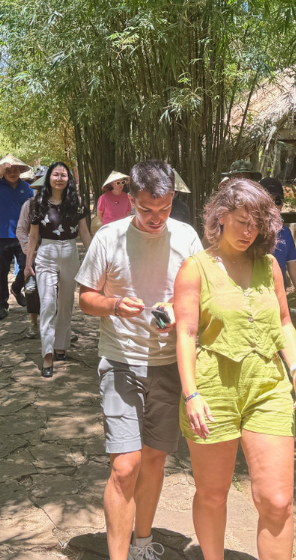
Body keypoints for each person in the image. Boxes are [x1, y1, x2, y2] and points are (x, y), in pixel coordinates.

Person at [173, 178, 296, 560]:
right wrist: (191, 393)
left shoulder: (270, 265)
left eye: (256, 224)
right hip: (212, 388)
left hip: (267, 386)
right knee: (213, 493)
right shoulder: (195, 268)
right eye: (241, 221)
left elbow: (284, 322)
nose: (249, 232)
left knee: (277, 501)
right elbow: (185, 333)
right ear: (220, 217)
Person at [76, 160, 203, 560]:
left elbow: (201, 295)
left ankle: (143, 544)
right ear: (130, 199)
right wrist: (114, 305)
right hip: (121, 360)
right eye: (146, 209)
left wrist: (177, 310)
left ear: (173, 199)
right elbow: (85, 299)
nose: (155, 218)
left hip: (169, 363)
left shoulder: (186, 237)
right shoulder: (108, 237)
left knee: (153, 460)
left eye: (164, 209)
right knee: (125, 466)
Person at [26, 162, 92, 377]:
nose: (59, 179)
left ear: (68, 179)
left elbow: (84, 232)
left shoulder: (76, 202)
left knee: (66, 302)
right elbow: (33, 236)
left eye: (64, 175)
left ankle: (61, 345)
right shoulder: (38, 202)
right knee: (47, 303)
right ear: (49, 178)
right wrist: (28, 263)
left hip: (70, 251)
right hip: (47, 252)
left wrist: (94, 258)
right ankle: (47, 353)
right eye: (56, 174)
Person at [259, 178, 296, 332]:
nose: (272, 206)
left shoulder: (285, 233)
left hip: (278, 303)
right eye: (266, 200)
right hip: (252, 303)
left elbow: (294, 269)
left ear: (282, 204)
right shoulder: (247, 232)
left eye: (277, 201)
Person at [0, 154, 34, 322]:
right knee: (2, 273)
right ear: (3, 172)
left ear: (21, 171)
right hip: (1, 235)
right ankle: (2, 305)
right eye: (8, 170)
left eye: (15, 170)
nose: (12, 173)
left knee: (27, 267)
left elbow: (32, 210)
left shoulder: (27, 188)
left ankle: (16, 288)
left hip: (22, 236)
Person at [15, 175, 44, 339]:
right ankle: (33, 323)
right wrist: (29, 249)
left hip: (54, 254)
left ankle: (61, 326)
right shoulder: (29, 205)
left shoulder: (61, 205)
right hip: (33, 255)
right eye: (39, 189)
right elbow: (21, 229)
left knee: (58, 290)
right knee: (32, 289)